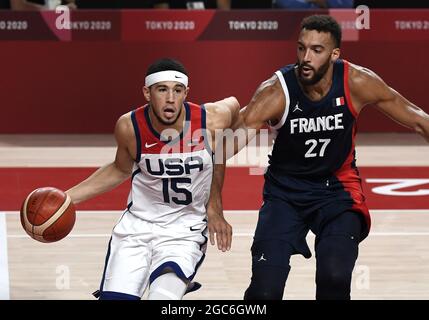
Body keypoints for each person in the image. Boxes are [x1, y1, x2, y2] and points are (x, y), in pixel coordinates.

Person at [218, 14, 429, 300]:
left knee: (334, 278)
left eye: (317, 50)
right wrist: (213, 205)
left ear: (334, 54)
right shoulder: (276, 92)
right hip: (285, 194)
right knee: (263, 292)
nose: (306, 57)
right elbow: (223, 147)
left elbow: (418, 119)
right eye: (301, 47)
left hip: (337, 191)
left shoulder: (356, 81)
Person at [66, 58, 238, 300]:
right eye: (162, 90)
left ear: (186, 93)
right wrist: (66, 198)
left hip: (184, 232)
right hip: (137, 228)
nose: (170, 98)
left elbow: (234, 104)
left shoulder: (210, 119)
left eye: (177, 91)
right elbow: (119, 169)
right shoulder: (130, 127)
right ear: (147, 93)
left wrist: (214, 205)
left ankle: (174, 277)